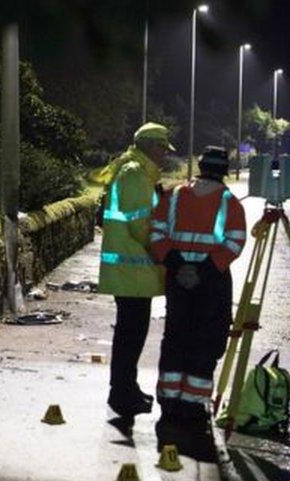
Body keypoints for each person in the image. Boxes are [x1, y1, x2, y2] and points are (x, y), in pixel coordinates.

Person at [149, 146, 246, 461]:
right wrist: (206, 267)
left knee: (175, 337)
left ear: (201, 167)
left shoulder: (175, 196)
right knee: (205, 341)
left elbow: (157, 233)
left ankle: (169, 402)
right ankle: (193, 407)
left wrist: (177, 262)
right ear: (224, 170)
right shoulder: (230, 203)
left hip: (178, 280)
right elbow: (234, 242)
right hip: (212, 282)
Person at [95, 122, 174, 417]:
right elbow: (141, 225)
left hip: (133, 272)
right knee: (131, 334)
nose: (165, 154)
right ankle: (121, 393)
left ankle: (127, 388)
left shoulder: (137, 173)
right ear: (151, 147)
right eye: (163, 148)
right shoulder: (133, 174)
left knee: (132, 333)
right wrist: (163, 254)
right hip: (131, 270)